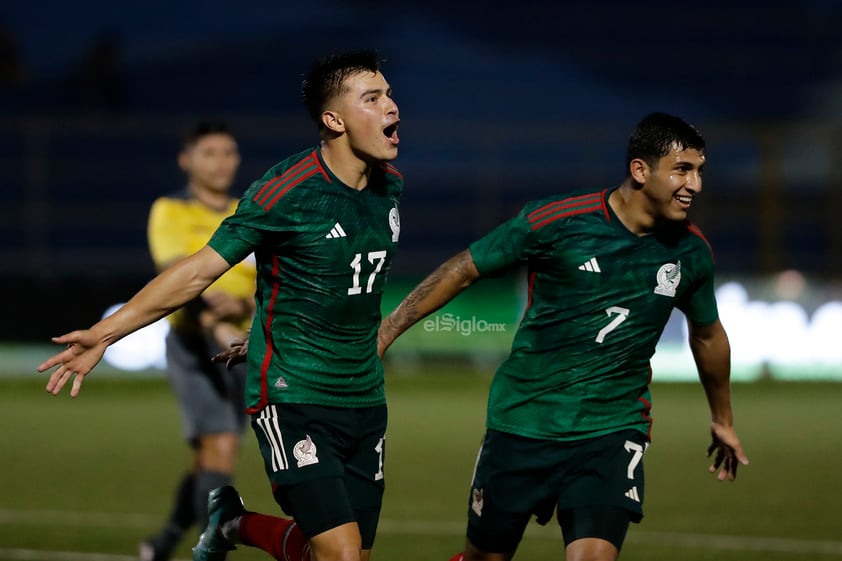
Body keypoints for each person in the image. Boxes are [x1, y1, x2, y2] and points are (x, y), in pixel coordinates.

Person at [38, 49, 402, 561]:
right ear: (334, 119)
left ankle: (233, 523)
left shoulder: (390, 188)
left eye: (388, 93)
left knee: (346, 555)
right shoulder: (286, 193)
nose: (392, 107)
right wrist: (105, 333)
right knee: (342, 555)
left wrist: (263, 333)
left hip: (365, 398)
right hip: (293, 395)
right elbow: (197, 271)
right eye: (373, 98)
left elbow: (336, 291)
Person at [377, 112, 749, 561]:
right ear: (640, 170)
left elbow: (707, 335)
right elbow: (465, 268)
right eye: (682, 170)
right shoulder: (559, 221)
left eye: (699, 171)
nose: (695, 185)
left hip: (611, 430)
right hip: (524, 422)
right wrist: (388, 329)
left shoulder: (691, 252)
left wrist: (723, 419)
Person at [139, 120, 256, 561]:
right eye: (209, 153)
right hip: (194, 346)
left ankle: (163, 543)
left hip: (237, 345)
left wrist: (241, 306)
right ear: (187, 160)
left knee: (208, 458)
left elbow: (264, 283)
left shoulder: (248, 212)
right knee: (221, 447)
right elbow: (177, 276)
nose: (221, 162)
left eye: (228, 152)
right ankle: (209, 556)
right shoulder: (170, 210)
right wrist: (217, 310)